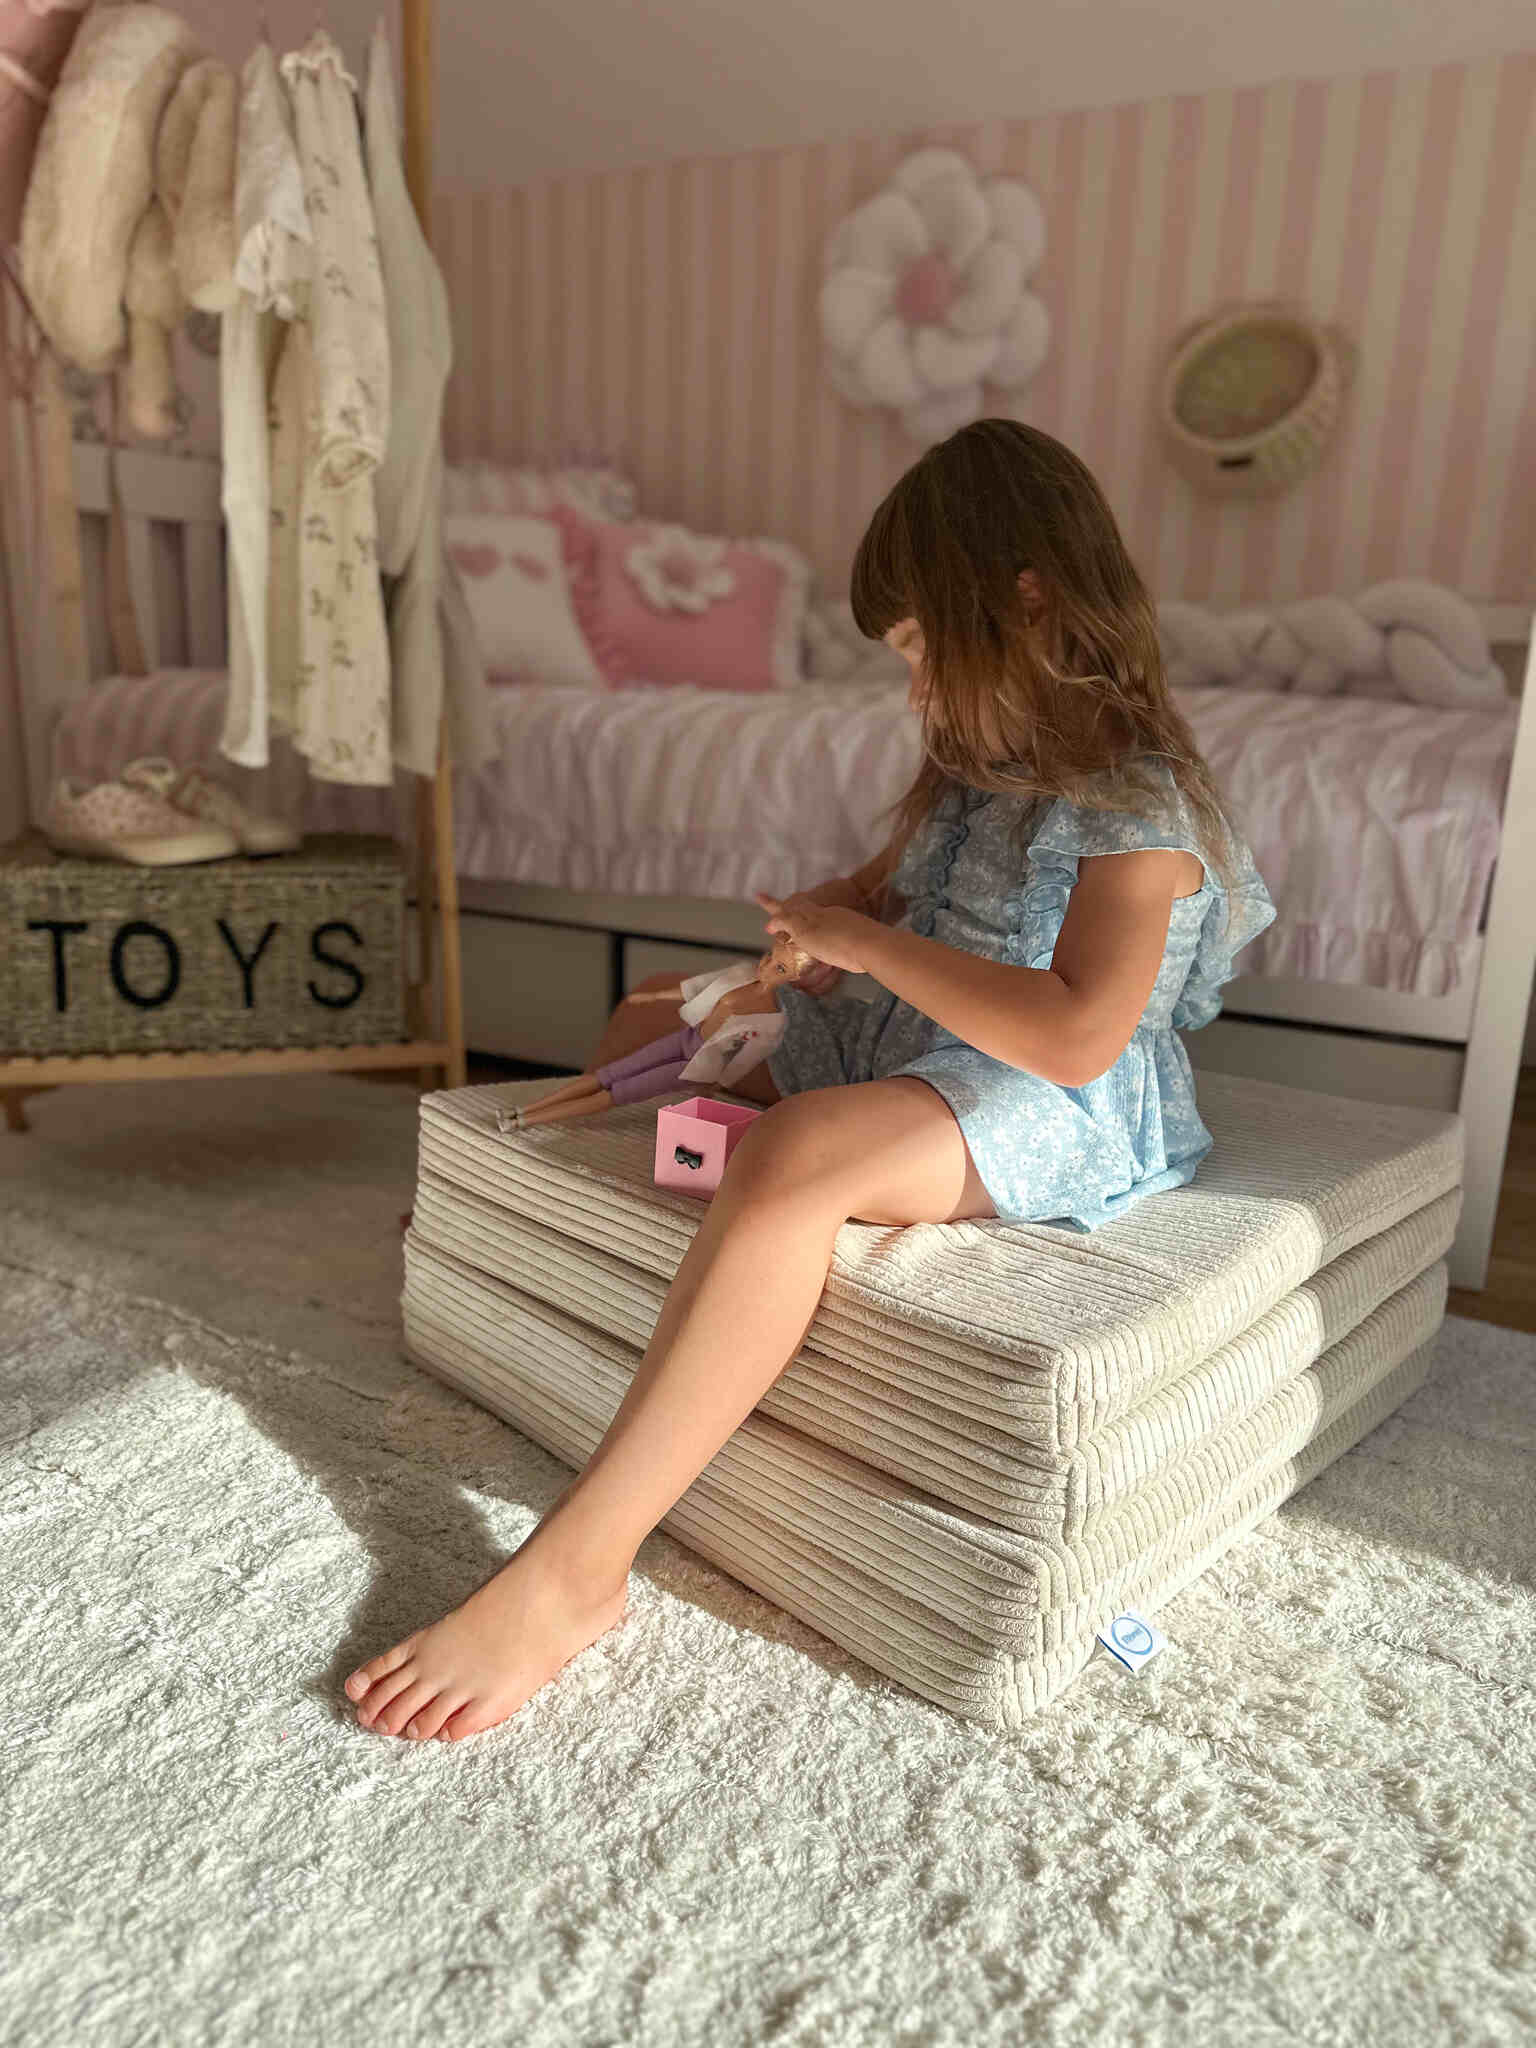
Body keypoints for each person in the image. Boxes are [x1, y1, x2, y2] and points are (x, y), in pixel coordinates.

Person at [344, 418, 1277, 1744]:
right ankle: (504, 1224)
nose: (915, 687)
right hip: (921, 1037)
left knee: (796, 1158)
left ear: (1024, 601)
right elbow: (894, 899)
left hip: (1048, 1093)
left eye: (920, 648)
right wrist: (823, 929)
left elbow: (1075, 1033)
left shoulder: (1138, 806)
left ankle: (579, 1569)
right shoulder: (977, 773)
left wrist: (868, 947)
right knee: (651, 1013)